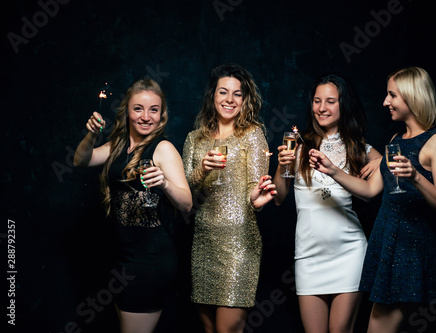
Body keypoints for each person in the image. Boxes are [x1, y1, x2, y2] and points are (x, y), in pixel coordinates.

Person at [309, 67, 436, 333]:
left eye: (392, 96)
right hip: (387, 241)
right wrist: (332, 170)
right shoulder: (395, 140)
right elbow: (369, 191)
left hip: (411, 248)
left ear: (412, 97)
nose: (385, 102)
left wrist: (416, 177)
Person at [73, 78, 192, 333]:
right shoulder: (118, 146)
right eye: (138, 108)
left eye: (154, 110)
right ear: (127, 110)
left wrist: (165, 184)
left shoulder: (163, 148)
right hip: (121, 257)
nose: (146, 116)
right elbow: (82, 160)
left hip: (150, 260)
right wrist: (92, 135)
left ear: (162, 115)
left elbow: (187, 204)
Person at [273, 73, 382, 333]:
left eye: (330, 101)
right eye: (317, 100)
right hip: (309, 256)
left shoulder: (359, 148)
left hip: (350, 253)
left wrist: (382, 160)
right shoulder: (297, 146)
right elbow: (278, 198)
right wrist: (282, 165)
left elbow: (370, 192)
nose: (322, 108)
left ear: (343, 104)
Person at [182, 63, 277, 333]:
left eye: (237, 94)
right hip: (204, 243)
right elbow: (183, 189)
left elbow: (253, 187)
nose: (230, 100)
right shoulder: (194, 139)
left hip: (239, 244)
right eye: (223, 92)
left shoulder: (252, 134)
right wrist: (203, 168)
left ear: (245, 99)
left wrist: (256, 198)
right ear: (213, 95)